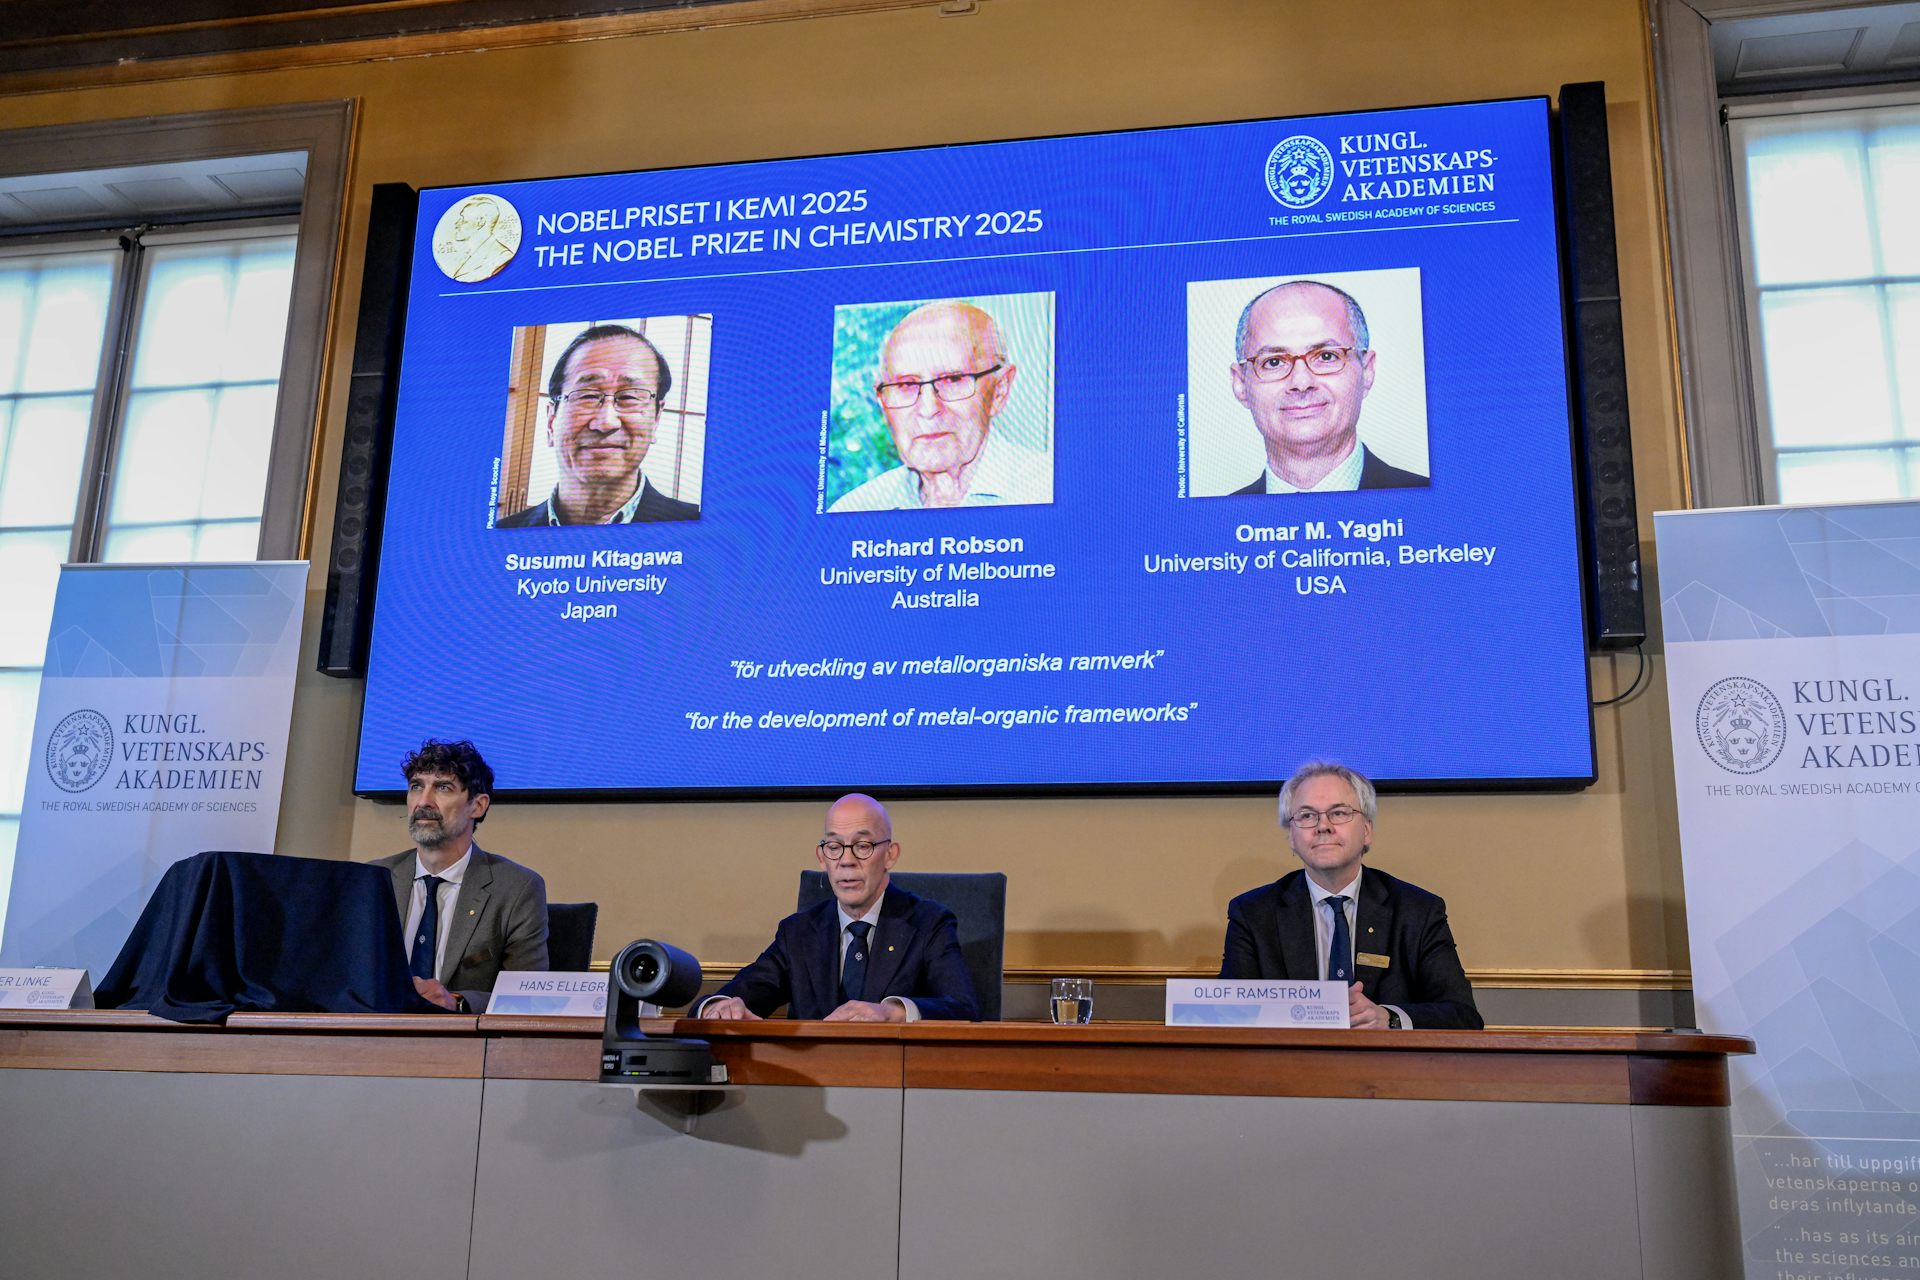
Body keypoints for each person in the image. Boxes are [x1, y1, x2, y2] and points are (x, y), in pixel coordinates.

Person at [1219, 760, 1481, 1029]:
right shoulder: (1253, 914)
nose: (1323, 826)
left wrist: (1389, 1018)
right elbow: (1229, 1019)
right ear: (1291, 838)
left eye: (1339, 813)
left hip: (1386, 1056)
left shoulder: (1417, 911)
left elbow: (1463, 1016)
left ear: (1367, 830)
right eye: (1307, 816)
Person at [696, 793, 978, 1021]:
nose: (846, 860)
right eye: (834, 847)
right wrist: (717, 1008)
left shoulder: (928, 923)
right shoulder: (798, 933)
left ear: (890, 855)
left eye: (862, 845)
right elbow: (732, 998)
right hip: (812, 1074)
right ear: (822, 858)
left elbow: (963, 1008)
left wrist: (892, 1012)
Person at [370, 739, 549, 1012]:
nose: (423, 801)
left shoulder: (517, 889)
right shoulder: (374, 879)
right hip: (373, 1030)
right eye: (416, 786)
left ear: (478, 806)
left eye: (443, 787)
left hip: (460, 1035)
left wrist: (456, 1002)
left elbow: (528, 996)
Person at [829, 300, 1050, 511]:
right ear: (882, 401)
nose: (928, 410)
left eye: (953, 380)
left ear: (1000, 391)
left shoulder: (1048, 490)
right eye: (905, 385)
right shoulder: (854, 509)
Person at [1227, 280, 1428, 494]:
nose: (1301, 383)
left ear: (1367, 371)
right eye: (1274, 362)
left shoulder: (1434, 501)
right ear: (1241, 384)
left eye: (1326, 356)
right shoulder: (1218, 513)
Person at [499, 324, 701, 526]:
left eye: (629, 397)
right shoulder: (504, 532)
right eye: (587, 396)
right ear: (552, 420)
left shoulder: (700, 527)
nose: (606, 422)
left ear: (656, 418)